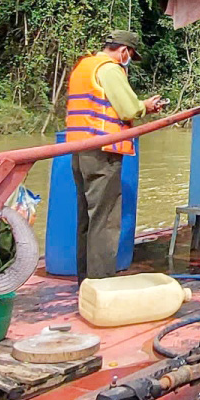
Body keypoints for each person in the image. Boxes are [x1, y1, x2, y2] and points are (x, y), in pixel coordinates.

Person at [63, 30, 166, 279]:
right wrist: (147, 107)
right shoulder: (110, 69)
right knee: (105, 220)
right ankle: (100, 284)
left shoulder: (84, 66)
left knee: (86, 220)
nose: (128, 59)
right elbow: (128, 108)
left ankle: (85, 282)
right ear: (123, 51)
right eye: (130, 55)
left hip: (79, 151)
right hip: (102, 153)